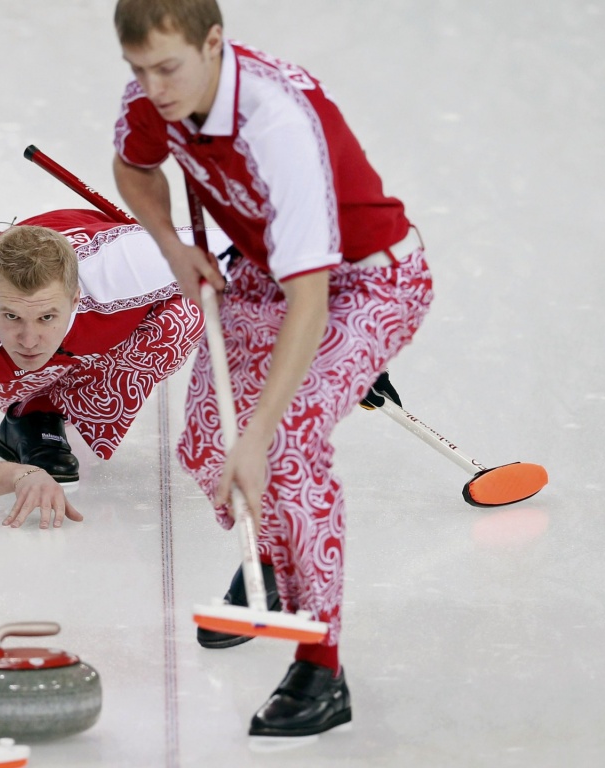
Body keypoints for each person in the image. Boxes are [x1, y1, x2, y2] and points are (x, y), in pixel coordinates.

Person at [111, 0, 434, 739]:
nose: (153, 88)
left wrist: (260, 434)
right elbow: (132, 168)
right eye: (139, 69)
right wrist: (170, 242)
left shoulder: (277, 124)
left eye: (168, 68)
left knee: (281, 446)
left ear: (214, 44)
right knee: (204, 441)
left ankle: (322, 669)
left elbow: (312, 302)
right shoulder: (151, 91)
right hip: (264, 269)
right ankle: (275, 561)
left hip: (368, 280)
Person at [0, 209, 222, 528]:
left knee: (190, 312)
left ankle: (47, 408)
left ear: (75, 299)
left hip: (109, 282)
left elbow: (267, 255)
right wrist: (19, 475)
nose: (29, 340)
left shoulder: (128, 269)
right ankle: (28, 405)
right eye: (12, 316)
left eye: (46, 316)